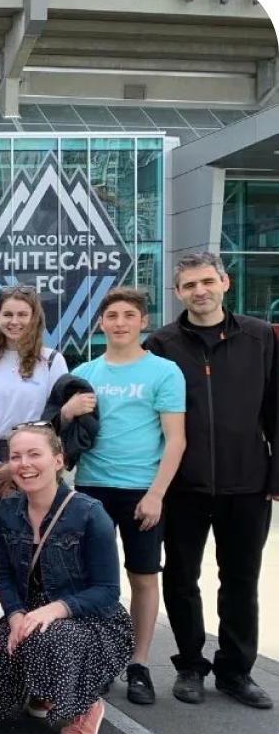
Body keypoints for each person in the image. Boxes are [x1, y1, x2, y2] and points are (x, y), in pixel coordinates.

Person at [145, 252, 278, 709]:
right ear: (178, 293)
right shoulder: (162, 344)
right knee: (181, 578)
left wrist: (274, 473)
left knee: (241, 579)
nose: (199, 291)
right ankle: (189, 666)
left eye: (207, 281)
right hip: (184, 486)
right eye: (189, 285)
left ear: (225, 282)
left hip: (248, 483)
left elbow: (276, 409)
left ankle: (236, 672)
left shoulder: (260, 337)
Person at [0, 424, 134, 734]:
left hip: (91, 619)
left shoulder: (90, 514)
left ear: (58, 460)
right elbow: (6, 577)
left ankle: (85, 703)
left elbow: (108, 591)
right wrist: (13, 617)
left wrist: (54, 610)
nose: (24, 464)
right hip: (30, 614)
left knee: (50, 634)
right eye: (16, 456)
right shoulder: (8, 511)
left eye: (34, 454)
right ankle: (42, 687)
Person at [67, 288, 186, 706]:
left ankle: (137, 664)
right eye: (112, 315)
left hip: (141, 491)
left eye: (129, 315)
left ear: (143, 322)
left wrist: (156, 493)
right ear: (101, 323)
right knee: (92, 581)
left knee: (142, 577)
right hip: (91, 489)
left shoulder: (164, 372)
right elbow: (64, 434)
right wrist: (67, 411)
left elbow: (176, 440)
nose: (120, 322)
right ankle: (98, 660)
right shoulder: (86, 373)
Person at [0, 286, 68, 538]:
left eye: (22, 315)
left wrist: (14, 466)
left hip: (36, 460)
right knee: (7, 545)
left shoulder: (51, 360)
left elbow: (55, 418)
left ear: (34, 318)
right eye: (8, 314)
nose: (14, 322)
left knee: (42, 541)